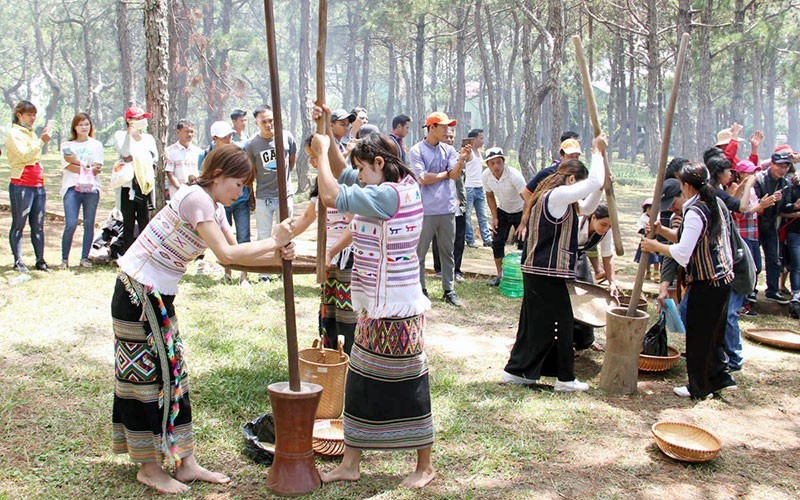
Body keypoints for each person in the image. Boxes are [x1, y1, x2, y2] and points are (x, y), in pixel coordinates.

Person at [111, 144, 296, 494]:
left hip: (156, 295)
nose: (241, 192)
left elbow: (236, 260)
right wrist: (274, 241)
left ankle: (185, 462)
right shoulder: (196, 197)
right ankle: (149, 467)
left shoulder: (214, 208)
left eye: (245, 186)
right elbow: (227, 254)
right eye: (238, 184)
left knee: (174, 374)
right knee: (148, 380)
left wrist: (278, 249)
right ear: (217, 175)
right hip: (138, 292)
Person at [314, 130, 436, 489]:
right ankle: (351, 463)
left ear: (380, 164)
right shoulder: (397, 180)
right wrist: (328, 136)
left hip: (399, 313)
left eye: (364, 169)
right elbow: (344, 172)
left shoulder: (388, 196)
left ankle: (424, 465)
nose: (360, 176)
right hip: (375, 309)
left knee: (409, 386)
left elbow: (331, 192)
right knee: (361, 382)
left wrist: (321, 151)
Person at [501, 135, 606, 392]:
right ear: (571, 180)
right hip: (545, 270)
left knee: (537, 323)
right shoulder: (557, 195)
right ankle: (565, 379)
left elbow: (587, 205)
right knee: (561, 321)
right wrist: (598, 151)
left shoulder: (556, 196)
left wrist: (600, 189)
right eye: (577, 185)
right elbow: (593, 181)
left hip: (541, 270)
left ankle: (519, 372)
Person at [641, 163, 737, 399]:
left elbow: (683, 253)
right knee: (713, 334)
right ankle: (717, 379)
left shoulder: (695, 211)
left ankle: (699, 388)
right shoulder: (710, 203)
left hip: (708, 282)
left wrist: (655, 246)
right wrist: (661, 230)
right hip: (722, 278)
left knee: (699, 336)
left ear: (684, 185)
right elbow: (685, 237)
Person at [291, 129, 357, 354]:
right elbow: (308, 217)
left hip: (348, 257)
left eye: (314, 155)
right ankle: (329, 357)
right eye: (309, 156)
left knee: (348, 315)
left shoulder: (346, 183)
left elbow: (355, 224)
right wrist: (282, 237)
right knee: (329, 313)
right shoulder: (320, 182)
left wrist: (334, 251)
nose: (311, 161)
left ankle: (349, 359)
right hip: (329, 258)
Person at [409, 112, 470, 306]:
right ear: (431, 127)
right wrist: (445, 173)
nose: (447, 130)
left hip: (447, 208)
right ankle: (420, 289)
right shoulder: (417, 150)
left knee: (447, 251)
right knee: (419, 252)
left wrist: (461, 160)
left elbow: (454, 175)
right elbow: (423, 178)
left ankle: (449, 290)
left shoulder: (449, 151)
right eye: (443, 126)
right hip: (424, 210)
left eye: (448, 127)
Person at [245, 105, 297, 281]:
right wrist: (251, 196)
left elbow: (291, 161)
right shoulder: (252, 145)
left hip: (285, 195)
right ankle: (264, 272)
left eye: (271, 120)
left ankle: (285, 270)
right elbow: (251, 172)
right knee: (264, 235)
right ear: (257, 123)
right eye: (264, 121)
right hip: (263, 195)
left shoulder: (287, 137)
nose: (268, 125)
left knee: (286, 234)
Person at [199, 121, 250, 285]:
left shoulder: (239, 151)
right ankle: (228, 272)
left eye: (230, 136)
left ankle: (244, 274)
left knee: (242, 236)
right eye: (224, 137)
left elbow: (232, 246)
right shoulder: (200, 202)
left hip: (237, 204)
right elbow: (224, 250)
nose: (229, 139)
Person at [5, 100, 52, 273]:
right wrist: (42, 142)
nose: (32, 118)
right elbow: (25, 155)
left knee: (38, 224)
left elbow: (35, 155)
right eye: (29, 114)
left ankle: (40, 259)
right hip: (21, 184)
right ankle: (18, 260)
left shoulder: (30, 133)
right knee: (19, 223)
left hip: (38, 184)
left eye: (34, 115)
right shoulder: (14, 133)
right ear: (19, 115)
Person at [58, 112, 104, 269]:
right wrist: (86, 167)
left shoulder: (96, 145)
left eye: (87, 124)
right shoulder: (67, 145)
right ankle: (64, 259)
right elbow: (68, 165)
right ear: (74, 127)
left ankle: (85, 257)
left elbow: (98, 168)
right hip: (72, 188)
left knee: (89, 223)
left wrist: (80, 164)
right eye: (80, 124)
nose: (84, 127)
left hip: (91, 189)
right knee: (70, 224)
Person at [113, 105, 158, 256]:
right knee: (128, 222)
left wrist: (135, 157)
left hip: (144, 185)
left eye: (142, 118)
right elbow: (125, 153)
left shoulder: (148, 138)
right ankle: (128, 254)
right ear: (129, 121)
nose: (142, 121)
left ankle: (145, 254)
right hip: (128, 186)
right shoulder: (120, 135)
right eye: (138, 119)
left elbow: (153, 158)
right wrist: (129, 135)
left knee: (144, 220)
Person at [481, 147, 526, 286]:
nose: (496, 166)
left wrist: (523, 224)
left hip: (521, 210)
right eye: (492, 163)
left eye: (499, 162)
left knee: (523, 243)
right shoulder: (486, 176)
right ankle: (500, 275)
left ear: (504, 162)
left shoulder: (514, 175)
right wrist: (494, 217)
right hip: (503, 211)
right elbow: (489, 196)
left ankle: (522, 277)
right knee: (497, 242)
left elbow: (528, 200)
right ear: (487, 164)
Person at [755, 150, 792, 303]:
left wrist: (793, 205)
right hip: (755, 224)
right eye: (780, 166)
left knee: (774, 258)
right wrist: (769, 200)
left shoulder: (785, 183)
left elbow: (785, 207)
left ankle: (773, 290)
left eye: (786, 167)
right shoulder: (760, 179)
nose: (783, 170)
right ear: (771, 164)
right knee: (754, 260)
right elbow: (753, 203)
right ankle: (751, 290)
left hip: (770, 224)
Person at [432, 127, 467, 282]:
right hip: (439, 203)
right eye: (447, 137)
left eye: (452, 137)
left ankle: (456, 270)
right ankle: (439, 269)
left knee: (459, 237)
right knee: (438, 237)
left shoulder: (459, 157)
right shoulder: (434, 155)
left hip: (458, 202)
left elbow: (460, 180)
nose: (450, 140)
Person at [463, 129, 492, 248]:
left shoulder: (480, 152)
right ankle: (470, 239)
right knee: (468, 216)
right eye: (480, 138)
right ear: (473, 139)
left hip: (480, 188)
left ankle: (487, 239)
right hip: (469, 188)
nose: (482, 141)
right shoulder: (468, 153)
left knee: (483, 215)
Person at [165, 120, 202, 195]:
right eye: (186, 131)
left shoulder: (198, 152)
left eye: (192, 132)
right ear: (178, 132)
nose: (190, 134)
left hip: (196, 193)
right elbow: (170, 174)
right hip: (177, 193)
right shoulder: (170, 151)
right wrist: (180, 189)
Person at [634, 198, 661, 281]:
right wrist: (645, 230)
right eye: (649, 209)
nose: (651, 211)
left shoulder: (658, 217)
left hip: (655, 240)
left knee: (656, 258)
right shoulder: (643, 218)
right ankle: (648, 271)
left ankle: (656, 272)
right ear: (646, 209)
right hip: (645, 239)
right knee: (646, 258)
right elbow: (639, 228)